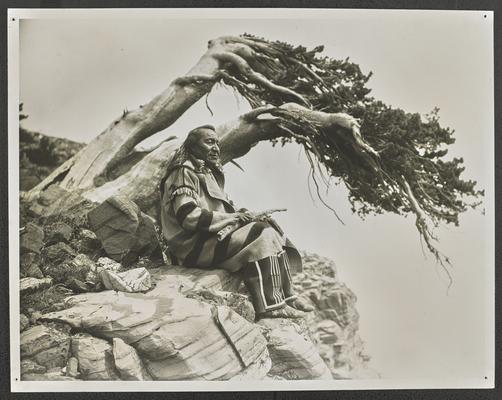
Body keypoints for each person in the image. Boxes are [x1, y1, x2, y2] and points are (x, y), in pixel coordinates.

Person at [159, 125, 314, 319]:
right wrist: (234, 219)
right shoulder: (182, 172)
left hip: (210, 238)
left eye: (217, 142)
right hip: (193, 247)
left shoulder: (205, 172)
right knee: (261, 233)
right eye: (209, 142)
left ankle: (288, 295)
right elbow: (188, 217)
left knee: (270, 226)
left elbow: (223, 209)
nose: (216, 147)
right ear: (192, 146)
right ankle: (270, 306)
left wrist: (245, 214)